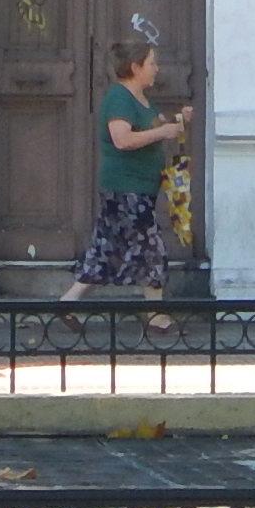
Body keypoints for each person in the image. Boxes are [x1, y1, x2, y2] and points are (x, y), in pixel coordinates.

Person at [60, 36, 189, 319]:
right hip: (125, 188)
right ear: (135, 67)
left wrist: (178, 122)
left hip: (137, 187)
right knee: (151, 247)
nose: (157, 68)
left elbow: (155, 127)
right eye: (152, 63)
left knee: (106, 250)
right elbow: (122, 139)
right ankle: (156, 316)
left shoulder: (140, 99)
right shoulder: (119, 98)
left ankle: (67, 305)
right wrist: (162, 133)